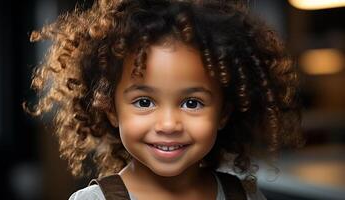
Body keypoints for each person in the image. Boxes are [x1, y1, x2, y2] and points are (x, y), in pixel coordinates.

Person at [26, 0, 303, 199]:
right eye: (144, 102)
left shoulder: (246, 196)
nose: (169, 124)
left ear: (223, 113)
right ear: (110, 109)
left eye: (192, 103)